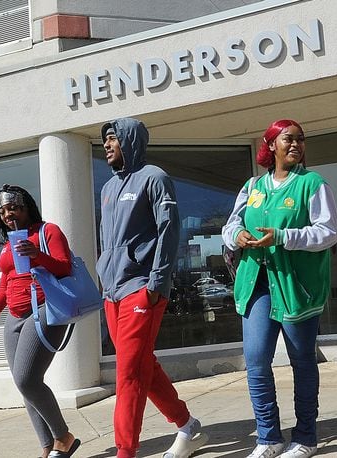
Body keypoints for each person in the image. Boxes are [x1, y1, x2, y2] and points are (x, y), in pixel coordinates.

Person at [222, 119, 337, 458]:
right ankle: (268, 437)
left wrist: (285, 237)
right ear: (271, 144)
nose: (296, 145)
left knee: (302, 361)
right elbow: (231, 223)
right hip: (256, 282)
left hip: (294, 286)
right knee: (256, 360)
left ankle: (305, 438)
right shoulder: (253, 186)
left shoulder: (312, 184)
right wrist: (236, 236)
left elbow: (328, 232)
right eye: (289, 139)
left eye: (301, 140)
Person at [96, 118, 208, 458]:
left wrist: (156, 284)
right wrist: (105, 280)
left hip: (142, 288)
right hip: (113, 293)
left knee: (128, 373)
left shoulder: (154, 178)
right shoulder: (107, 189)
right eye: (105, 141)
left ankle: (125, 452)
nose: (107, 145)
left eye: (113, 138)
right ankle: (189, 427)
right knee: (142, 364)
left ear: (130, 141)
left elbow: (168, 231)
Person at [0, 184, 81, 458]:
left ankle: (63, 437)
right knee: (24, 385)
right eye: (3, 211)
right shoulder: (8, 244)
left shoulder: (48, 232)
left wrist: (37, 256)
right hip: (14, 317)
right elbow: (3, 286)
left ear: (26, 207)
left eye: (13, 208)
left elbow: (64, 266)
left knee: (27, 379)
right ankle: (47, 446)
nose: (8, 215)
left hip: (44, 308)